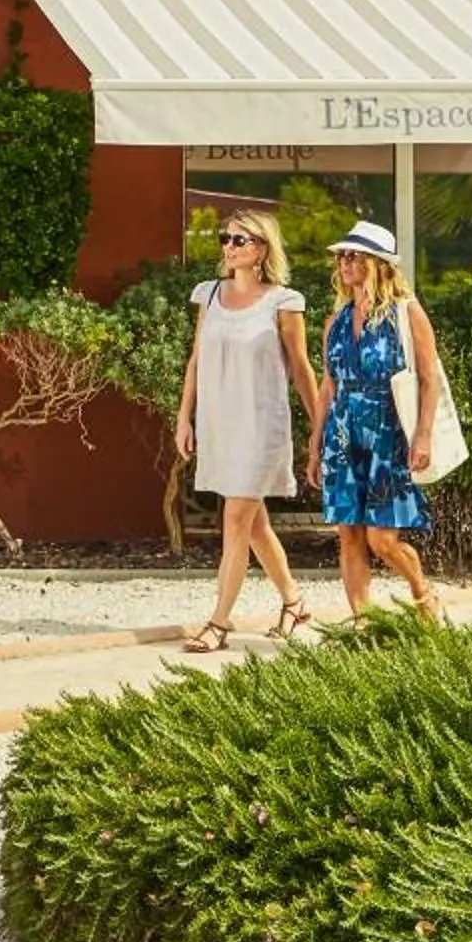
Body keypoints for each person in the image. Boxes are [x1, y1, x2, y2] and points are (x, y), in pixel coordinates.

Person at [172, 210, 325, 653]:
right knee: (254, 524)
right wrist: (186, 416)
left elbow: (301, 367)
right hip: (221, 422)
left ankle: (219, 622)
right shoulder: (209, 295)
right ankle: (294, 604)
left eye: (240, 240)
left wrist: (319, 428)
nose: (229, 245)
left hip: (262, 424)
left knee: (235, 517)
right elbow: (196, 359)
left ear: (261, 249)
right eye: (226, 238)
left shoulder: (284, 301)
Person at [315, 220, 446, 621]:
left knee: (382, 539)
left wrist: (422, 436)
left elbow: (429, 379)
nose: (344, 262)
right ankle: (362, 625)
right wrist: (315, 439)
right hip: (343, 433)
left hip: (388, 433)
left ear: (378, 263)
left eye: (352, 255)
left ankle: (424, 595)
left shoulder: (406, 313)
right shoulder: (335, 320)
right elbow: (328, 383)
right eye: (341, 256)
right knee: (349, 535)